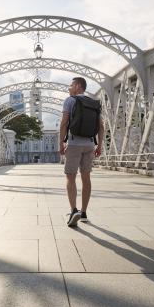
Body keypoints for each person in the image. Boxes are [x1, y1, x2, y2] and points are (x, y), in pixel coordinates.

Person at [59, 77, 104, 227]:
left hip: (74, 143)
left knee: (70, 177)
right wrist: (100, 145)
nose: (69, 88)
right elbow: (101, 127)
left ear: (78, 86)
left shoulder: (70, 100)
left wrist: (61, 142)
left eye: (71, 85)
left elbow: (64, 123)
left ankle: (73, 211)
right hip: (90, 145)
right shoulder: (94, 103)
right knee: (86, 178)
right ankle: (84, 212)